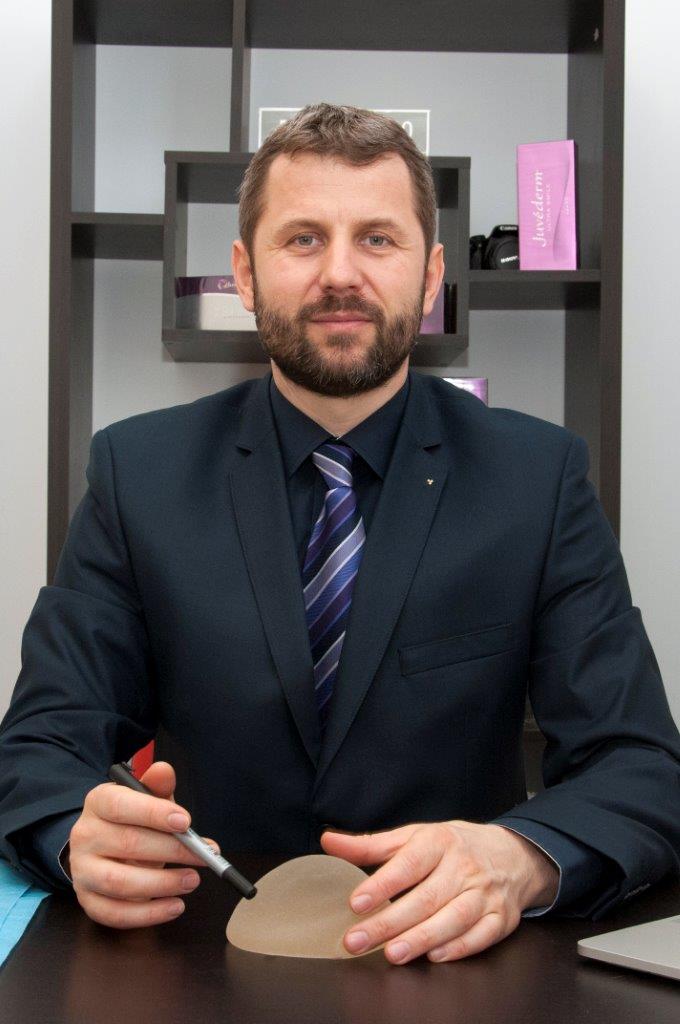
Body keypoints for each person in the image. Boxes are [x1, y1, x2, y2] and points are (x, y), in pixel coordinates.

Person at [1, 104, 679, 966]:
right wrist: (76, 834)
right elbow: (41, 743)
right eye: (303, 239)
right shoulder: (137, 473)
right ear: (245, 274)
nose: (340, 274)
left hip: (455, 968)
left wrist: (522, 859)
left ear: (431, 277)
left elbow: (641, 766)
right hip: (200, 955)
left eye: (378, 239)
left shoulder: (538, 479)